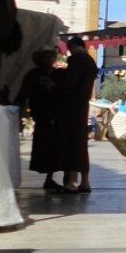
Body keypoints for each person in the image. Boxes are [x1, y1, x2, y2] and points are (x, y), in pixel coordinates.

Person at [15, 49, 63, 191]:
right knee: (44, 146)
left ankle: (50, 178)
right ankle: (48, 177)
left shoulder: (57, 74)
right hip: (41, 116)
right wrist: (19, 107)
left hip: (55, 116)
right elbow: (23, 92)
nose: (48, 59)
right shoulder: (33, 75)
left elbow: (63, 91)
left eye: (50, 56)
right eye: (45, 56)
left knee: (53, 147)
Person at [54, 36, 97, 193]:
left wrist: (55, 85)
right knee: (81, 143)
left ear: (73, 47)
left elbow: (70, 83)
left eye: (70, 48)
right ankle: (84, 182)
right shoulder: (90, 61)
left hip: (72, 106)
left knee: (72, 143)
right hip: (82, 106)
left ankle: (71, 181)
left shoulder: (77, 60)